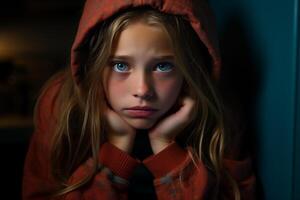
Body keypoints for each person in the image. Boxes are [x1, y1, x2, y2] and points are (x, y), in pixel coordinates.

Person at [22, 0, 256, 199]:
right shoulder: (62, 105)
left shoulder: (217, 112)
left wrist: (168, 152)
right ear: (94, 66)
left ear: (189, 71)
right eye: (120, 65)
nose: (142, 90)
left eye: (162, 66)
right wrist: (115, 153)